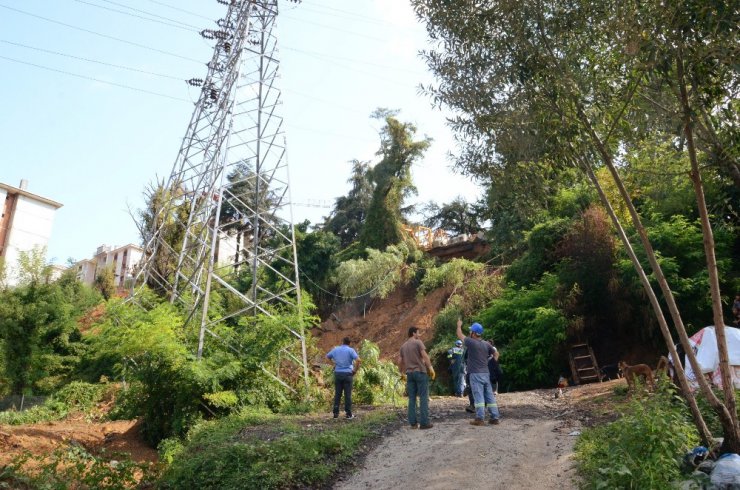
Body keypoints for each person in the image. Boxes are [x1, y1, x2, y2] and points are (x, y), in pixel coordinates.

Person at [456, 318, 501, 426]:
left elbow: (459, 335)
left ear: (474, 333)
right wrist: (492, 364)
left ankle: (480, 418)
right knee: (489, 396)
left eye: (471, 331)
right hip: (486, 373)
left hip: (475, 374)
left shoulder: (471, 342)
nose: (470, 332)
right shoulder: (486, 344)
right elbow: (496, 354)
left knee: (478, 396)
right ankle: (495, 417)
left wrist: (458, 325)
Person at [399, 326, 436, 429]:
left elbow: (400, 361)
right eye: (418, 333)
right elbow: (425, 356)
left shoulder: (403, 346)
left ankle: (413, 423)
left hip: (409, 374)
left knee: (412, 398)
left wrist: (401, 373)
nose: (419, 335)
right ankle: (424, 423)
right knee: (423, 397)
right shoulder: (418, 342)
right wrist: (430, 368)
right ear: (413, 333)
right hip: (420, 372)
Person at [326, 337, 361, 419]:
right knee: (347, 395)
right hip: (348, 374)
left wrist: (333, 364)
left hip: (338, 374)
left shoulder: (336, 349)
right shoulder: (351, 350)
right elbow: (358, 360)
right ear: (349, 343)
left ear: (342, 342)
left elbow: (327, 357)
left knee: (337, 394)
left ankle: (335, 413)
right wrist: (355, 370)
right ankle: (348, 414)